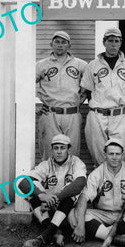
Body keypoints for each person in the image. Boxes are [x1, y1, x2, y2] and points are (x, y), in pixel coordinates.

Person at [68, 138, 125, 247]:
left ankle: (101, 233)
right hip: (102, 214)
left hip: (124, 215)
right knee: (74, 215)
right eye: (111, 154)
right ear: (105, 154)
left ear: (122, 154)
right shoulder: (97, 173)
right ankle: (117, 238)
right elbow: (83, 198)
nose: (114, 157)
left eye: (117, 154)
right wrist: (81, 226)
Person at [80, 28, 125, 166]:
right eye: (110, 41)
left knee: (121, 151)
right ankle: (102, 183)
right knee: (98, 152)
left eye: (116, 41)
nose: (113, 44)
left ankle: (121, 183)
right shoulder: (93, 65)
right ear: (104, 42)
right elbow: (87, 91)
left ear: (120, 43)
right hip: (97, 114)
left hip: (119, 114)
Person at [20, 134, 87, 247]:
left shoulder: (77, 163)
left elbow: (80, 183)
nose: (59, 152)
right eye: (56, 148)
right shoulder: (45, 165)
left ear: (69, 149)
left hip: (69, 208)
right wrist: (42, 195)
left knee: (72, 191)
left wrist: (57, 197)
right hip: (48, 207)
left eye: (63, 148)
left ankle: (44, 237)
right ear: (52, 150)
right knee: (32, 192)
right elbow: (23, 183)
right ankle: (55, 232)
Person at [36, 31, 87, 159]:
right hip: (49, 113)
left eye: (63, 42)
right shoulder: (41, 65)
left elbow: (89, 87)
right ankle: (49, 178)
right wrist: (36, 103)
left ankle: (70, 179)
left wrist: (79, 100)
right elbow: (25, 84)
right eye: (57, 42)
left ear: (69, 45)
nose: (60, 45)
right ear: (51, 44)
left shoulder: (81, 65)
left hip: (72, 114)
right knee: (49, 151)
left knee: (72, 152)